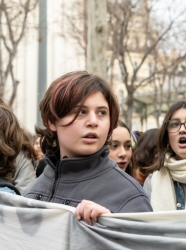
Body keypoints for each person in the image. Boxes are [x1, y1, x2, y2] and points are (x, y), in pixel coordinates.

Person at [24, 71, 152, 225]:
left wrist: (113, 229)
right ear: (52, 121)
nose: (93, 121)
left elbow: (146, 248)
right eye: (81, 112)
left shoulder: (130, 197)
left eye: (101, 113)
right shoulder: (30, 192)